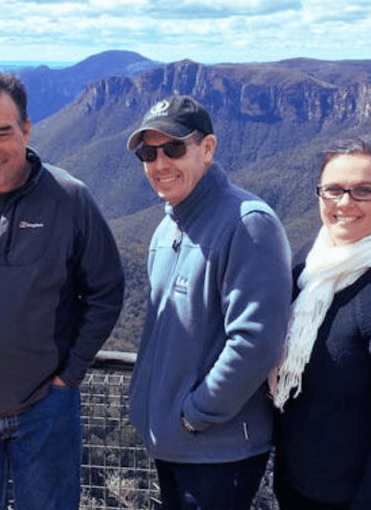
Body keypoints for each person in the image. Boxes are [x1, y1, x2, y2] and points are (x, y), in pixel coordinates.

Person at [0, 71, 124, 510]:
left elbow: (106, 290)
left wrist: (68, 373)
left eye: (4, 132)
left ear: (27, 129)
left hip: (45, 408)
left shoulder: (69, 198)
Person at [126, 95, 293, 510]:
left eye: (174, 148)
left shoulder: (247, 224)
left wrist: (195, 414)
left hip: (217, 451)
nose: (160, 164)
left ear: (208, 148)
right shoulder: (167, 230)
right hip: (174, 444)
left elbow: (256, 343)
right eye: (149, 152)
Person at [270, 137, 371, 510]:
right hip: (299, 489)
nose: (344, 203)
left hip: (357, 498)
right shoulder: (313, 270)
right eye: (333, 190)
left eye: (363, 191)